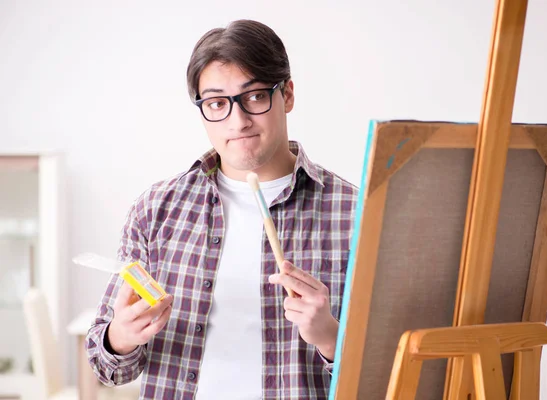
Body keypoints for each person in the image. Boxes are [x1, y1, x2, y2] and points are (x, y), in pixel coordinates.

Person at [86, 19, 358, 400]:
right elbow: (106, 365)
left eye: (256, 96)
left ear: (288, 95)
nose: (238, 120)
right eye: (217, 103)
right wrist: (120, 338)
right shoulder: (156, 210)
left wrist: (331, 338)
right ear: (202, 109)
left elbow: (386, 377)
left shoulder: (354, 213)